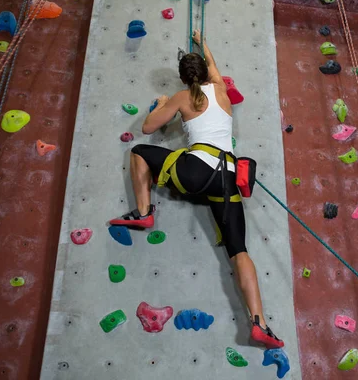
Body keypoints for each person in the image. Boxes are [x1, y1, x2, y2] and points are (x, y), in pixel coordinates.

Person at [110, 30, 284, 349]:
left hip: (194, 172)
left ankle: (144, 212)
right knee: (238, 251)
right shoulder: (221, 91)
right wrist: (203, 42)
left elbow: (148, 128)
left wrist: (164, 103)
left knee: (138, 152)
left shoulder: (181, 97)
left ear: (182, 78)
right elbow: (215, 69)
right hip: (227, 176)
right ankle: (259, 323)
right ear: (207, 73)